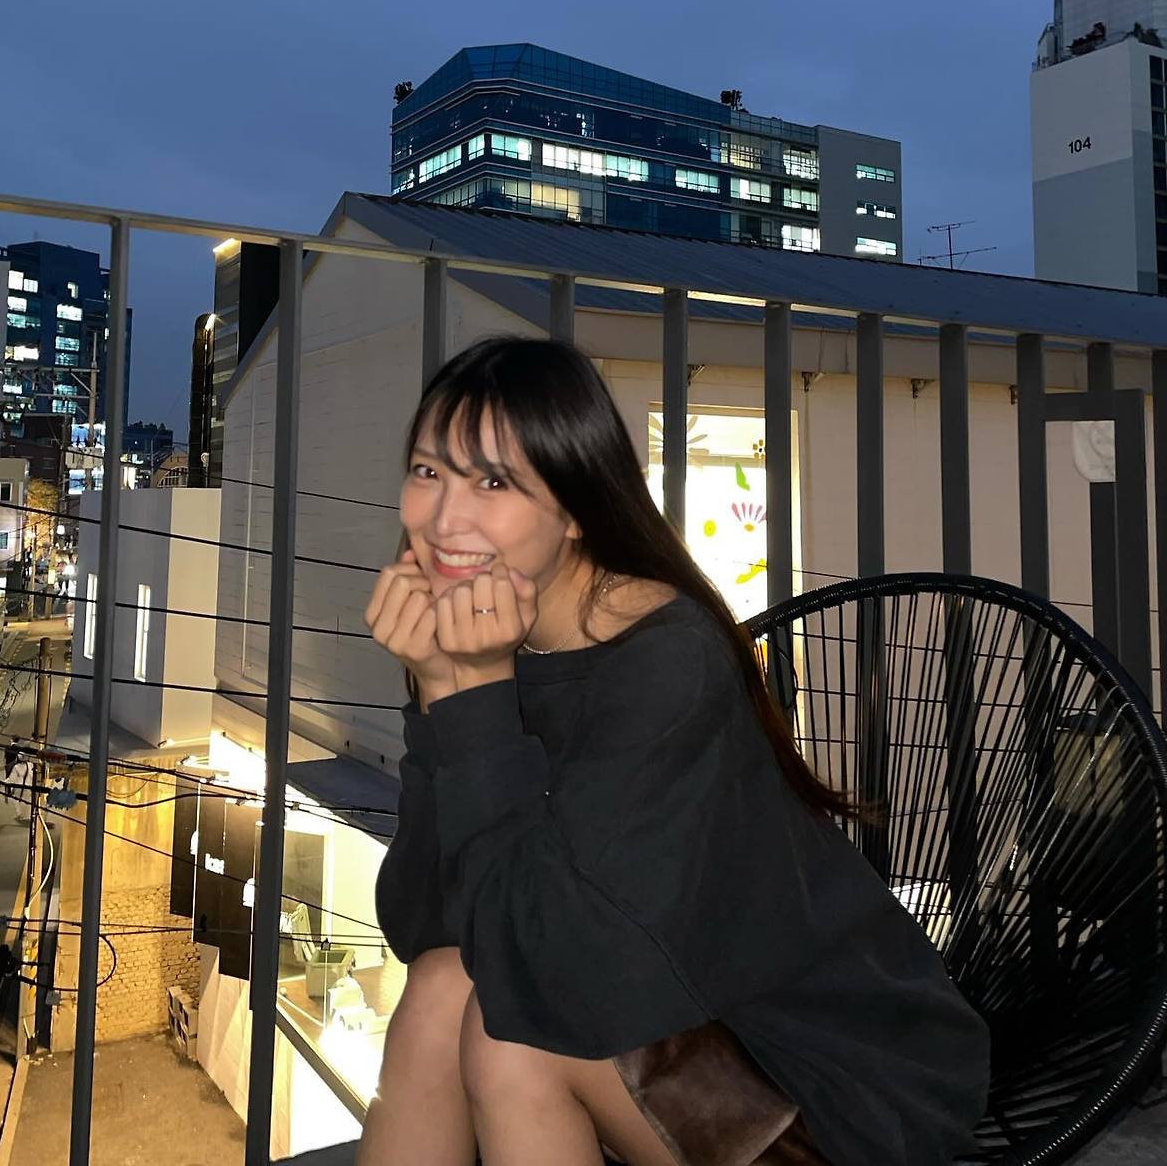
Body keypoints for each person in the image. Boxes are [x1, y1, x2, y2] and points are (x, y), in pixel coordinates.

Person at [362, 337, 990, 1166]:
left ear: (577, 507)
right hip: (662, 1015)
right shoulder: (483, 642)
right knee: (444, 984)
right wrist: (441, 694)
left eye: (495, 482)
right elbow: (423, 925)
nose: (443, 521)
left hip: (823, 1073)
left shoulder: (664, 661)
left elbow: (550, 973)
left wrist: (472, 697)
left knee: (510, 1033)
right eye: (427, 471)